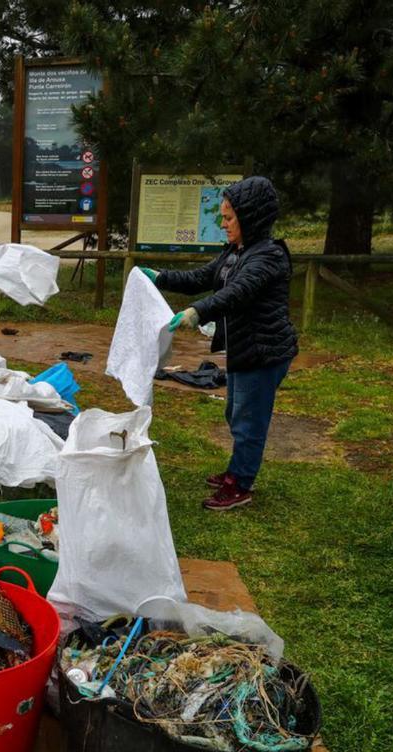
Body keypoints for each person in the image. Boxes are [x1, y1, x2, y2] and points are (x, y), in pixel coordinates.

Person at [142, 176, 299, 511]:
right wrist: (160, 277)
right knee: (235, 413)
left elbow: (236, 292)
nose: (223, 224)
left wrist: (198, 311)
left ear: (251, 217)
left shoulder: (268, 257)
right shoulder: (235, 252)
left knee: (248, 420)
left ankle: (240, 484)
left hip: (265, 352)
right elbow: (203, 277)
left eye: (229, 218)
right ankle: (237, 470)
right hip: (244, 349)